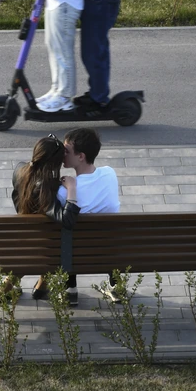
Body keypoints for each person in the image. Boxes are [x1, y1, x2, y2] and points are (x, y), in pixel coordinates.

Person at [10, 134, 81, 304]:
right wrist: (71, 190)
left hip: (21, 234)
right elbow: (68, 221)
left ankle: (34, 287)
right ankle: (35, 287)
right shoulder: (46, 190)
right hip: (39, 244)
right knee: (57, 243)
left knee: (45, 238)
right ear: (54, 163)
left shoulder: (20, 169)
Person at [56, 128, 122, 301]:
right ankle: (115, 285)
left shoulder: (64, 192)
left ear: (81, 156)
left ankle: (70, 289)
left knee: (67, 235)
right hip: (110, 250)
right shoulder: (110, 173)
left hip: (77, 254)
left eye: (66, 151)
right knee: (107, 231)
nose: (62, 154)